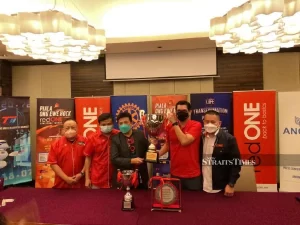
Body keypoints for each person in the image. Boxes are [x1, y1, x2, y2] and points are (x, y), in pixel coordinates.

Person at [159, 100, 202, 191]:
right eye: (179, 111)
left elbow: (184, 141)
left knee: (195, 203)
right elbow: (168, 144)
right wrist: (155, 155)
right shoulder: (170, 127)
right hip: (175, 173)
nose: (181, 113)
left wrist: (174, 123)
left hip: (192, 174)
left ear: (190, 112)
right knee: (175, 202)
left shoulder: (196, 125)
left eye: (184, 111)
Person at [200, 110, 241, 196]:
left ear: (219, 123)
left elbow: (236, 163)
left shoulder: (229, 139)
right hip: (201, 187)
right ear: (203, 122)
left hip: (220, 189)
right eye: (207, 121)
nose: (209, 124)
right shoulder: (200, 138)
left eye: (213, 122)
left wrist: (231, 184)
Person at [110, 112, 149, 189]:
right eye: (120, 123)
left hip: (141, 177)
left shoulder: (140, 134)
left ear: (131, 123)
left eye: (125, 122)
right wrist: (131, 160)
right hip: (123, 178)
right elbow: (114, 159)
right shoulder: (115, 139)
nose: (123, 125)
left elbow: (148, 150)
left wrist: (153, 145)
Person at [47, 119, 86, 188]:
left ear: (77, 128)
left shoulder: (86, 141)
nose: (70, 130)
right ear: (63, 130)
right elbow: (53, 164)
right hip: (61, 184)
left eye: (73, 127)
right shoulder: (56, 144)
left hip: (82, 183)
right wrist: (66, 178)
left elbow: (89, 160)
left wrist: (81, 173)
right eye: (67, 128)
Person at [84, 113, 119, 189]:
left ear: (113, 124)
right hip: (97, 180)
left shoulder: (119, 135)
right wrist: (87, 178)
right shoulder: (92, 138)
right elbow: (88, 158)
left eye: (109, 124)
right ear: (99, 125)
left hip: (116, 179)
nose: (106, 126)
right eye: (103, 124)